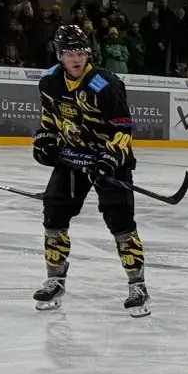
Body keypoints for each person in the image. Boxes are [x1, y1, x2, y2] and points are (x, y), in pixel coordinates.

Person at [31, 24, 148, 317]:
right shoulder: (49, 82)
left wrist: (109, 159)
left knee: (120, 219)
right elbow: (48, 120)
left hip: (108, 159)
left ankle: (138, 285)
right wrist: (45, 142)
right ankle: (55, 280)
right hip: (71, 159)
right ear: (59, 55)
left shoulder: (104, 83)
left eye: (81, 51)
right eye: (70, 52)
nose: (76, 58)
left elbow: (123, 127)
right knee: (54, 214)